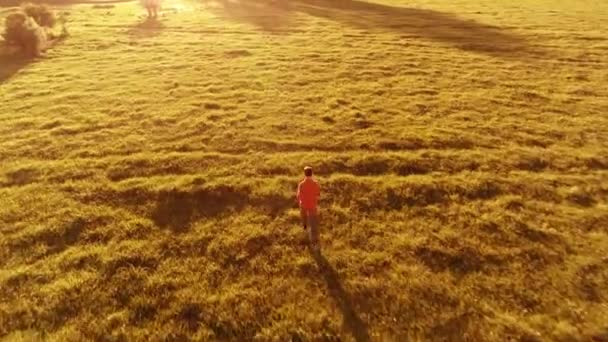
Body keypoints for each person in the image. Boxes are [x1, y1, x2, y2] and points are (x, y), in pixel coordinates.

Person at [296, 166, 321, 251]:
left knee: (304, 220)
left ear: (304, 174)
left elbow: (298, 196)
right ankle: (315, 243)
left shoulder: (301, 184)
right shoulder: (316, 183)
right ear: (312, 173)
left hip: (303, 205)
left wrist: (301, 202)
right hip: (312, 206)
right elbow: (318, 196)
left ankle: (305, 230)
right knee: (313, 224)